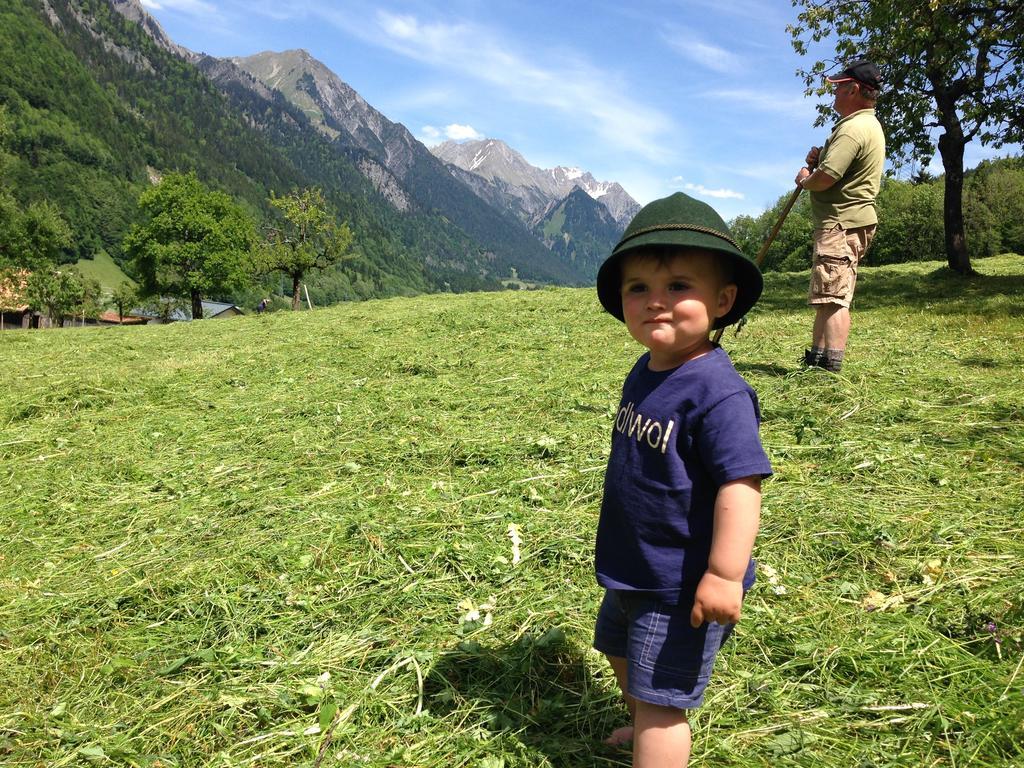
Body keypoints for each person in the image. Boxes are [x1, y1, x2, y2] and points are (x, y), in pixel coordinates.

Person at [593, 192, 772, 767]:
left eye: (678, 286)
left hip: (681, 583)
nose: (655, 303)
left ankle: (656, 736)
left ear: (723, 300)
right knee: (619, 652)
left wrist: (722, 574)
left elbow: (741, 486)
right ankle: (640, 722)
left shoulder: (718, 393)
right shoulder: (646, 369)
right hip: (633, 564)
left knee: (662, 702)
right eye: (638, 288)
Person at [795, 58, 886, 372]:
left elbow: (827, 177)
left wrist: (806, 177)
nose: (833, 95)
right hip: (845, 222)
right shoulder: (865, 125)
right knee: (826, 294)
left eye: (838, 88)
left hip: (841, 223)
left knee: (834, 298)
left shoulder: (853, 129)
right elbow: (835, 167)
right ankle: (816, 361)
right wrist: (819, 159)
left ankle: (830, 369)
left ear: (855, 90)